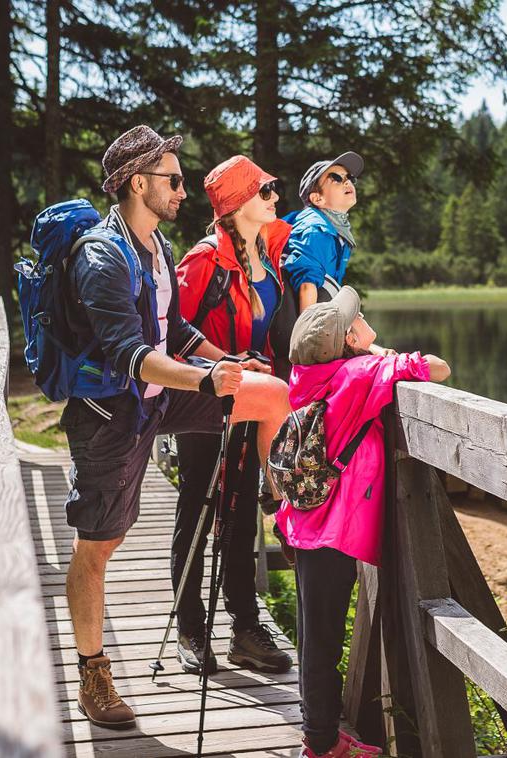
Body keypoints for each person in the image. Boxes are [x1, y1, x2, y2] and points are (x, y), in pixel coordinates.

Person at [62, 126, 291, 729]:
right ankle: (94, 674)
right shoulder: (101, 256)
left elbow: (176, 332)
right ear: (139, 183)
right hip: (112, 415)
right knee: (99, 546)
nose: (185, 191)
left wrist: (222, 361)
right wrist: (207, 381)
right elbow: (131, 355)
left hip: (163, 397)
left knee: (270, 394)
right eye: (174, 179)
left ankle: (288, 501)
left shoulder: (158, 247)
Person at [275, 286, 451, 758]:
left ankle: (322, 730)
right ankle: (321, 745)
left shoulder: (309, 376)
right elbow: (437, 368)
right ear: (351, 340)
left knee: (317, 635)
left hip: (305, 522)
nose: (362, 316)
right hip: (332, 532)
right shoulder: (358, 375)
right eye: (356, 319)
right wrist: (375, 352)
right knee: (323, 643)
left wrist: (364, 348)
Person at [171, 155, 295, 676]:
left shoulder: (270, 255)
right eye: (264, 190)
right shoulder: (203, 262)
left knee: (242, 510)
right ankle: (190, 628)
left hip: (253, 396)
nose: (273, 198)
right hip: (205, 397)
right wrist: (220, 363)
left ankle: (244, 629)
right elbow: (167, 337)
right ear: (237, 203)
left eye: (273, 188)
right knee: (198, 505)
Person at [282, 151, 363, 311]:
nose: (347, 182)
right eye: (337, 178)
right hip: (300, 323)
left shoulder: (335, 228)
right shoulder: (315, 230)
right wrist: (308, 335)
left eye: (349, 178)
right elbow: (307, 286)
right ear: (318, 199)